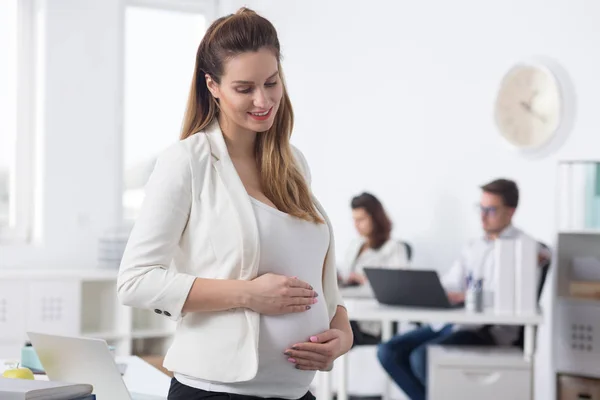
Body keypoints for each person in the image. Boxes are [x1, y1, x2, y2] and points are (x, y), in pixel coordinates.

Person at [117, 8, 352, 400]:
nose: (263, 100)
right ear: (213, 86)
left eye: (271, 83)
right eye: (244, 88)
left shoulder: (293, 163)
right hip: (215, 391)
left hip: (296, 391)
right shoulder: (186, 162)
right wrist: (248, 294)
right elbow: (135, 281)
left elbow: (314, 271)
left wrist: (342, 331)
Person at [377, 178, 551, 400]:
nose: (482, 216)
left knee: (421, 357)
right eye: (480, 208)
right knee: (388, 351)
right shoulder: (474, 246)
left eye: (490, 210)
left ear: (510, 212)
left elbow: (509, 296)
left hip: (487, 331)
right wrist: (428, 288)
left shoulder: (526, 248)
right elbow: (451, 282)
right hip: (454, 323)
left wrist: (467, 296)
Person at [341, 192, 411, 346]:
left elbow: (398, 289)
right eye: (354, 220)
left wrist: (364, 280)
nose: (356, 225)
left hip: (371, 321)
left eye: (361, 219)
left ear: (375, 218)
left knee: (333, 330)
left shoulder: (394, 248)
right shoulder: (356, 245)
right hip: (349, 310)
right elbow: (346, 273)